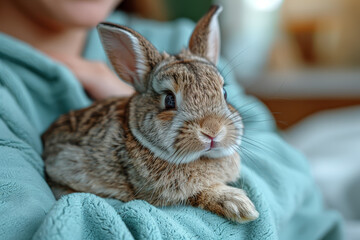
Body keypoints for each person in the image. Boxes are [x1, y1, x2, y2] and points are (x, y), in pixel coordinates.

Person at [0, 0, 343, 239]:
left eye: (222, 97)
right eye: (169, 101)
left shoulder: (180, 46)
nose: (213, 128)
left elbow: (290, 172)